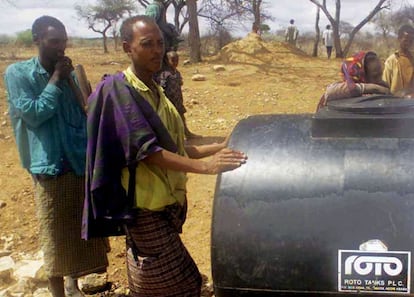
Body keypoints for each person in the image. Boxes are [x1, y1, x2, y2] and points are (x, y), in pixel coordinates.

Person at [84, 15, 247, 297]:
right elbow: (147, 152)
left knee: (158, 282)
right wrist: (204, 166)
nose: (157, 50)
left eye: (160, 43)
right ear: (127, 48)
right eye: (147, 44)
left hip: (165, 207)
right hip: (144, 209)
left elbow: (176, 148)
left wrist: (221, 146)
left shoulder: (156, 90)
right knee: (180, 284)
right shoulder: (121, 91)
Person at [3, 15, 109, 297]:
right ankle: (57, 291)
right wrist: (56, 79)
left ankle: (73, 284)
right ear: (37, 40)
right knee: (54, 236)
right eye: (53, 42)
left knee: (77, 229)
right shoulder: (18, 74)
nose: (60, 48)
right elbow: (34, 114)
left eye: (63, 41)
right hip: (49, 166)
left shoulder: (72, 75)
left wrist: (74, 84)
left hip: (77, 161)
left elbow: (84, 113)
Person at [317, 51, 390, 110]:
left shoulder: (382, 87)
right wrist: (369, 88)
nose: (379, 79)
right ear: (360, 74)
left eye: (380, 74)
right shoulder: (341, 90)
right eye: (375, 76)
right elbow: (329, 92)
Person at [159, 50, 201, 140]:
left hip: (178, 99)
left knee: (181, 117)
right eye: (173, 60)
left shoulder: (177, 73)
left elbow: (180, 83)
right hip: (169, 101)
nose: (175, 63)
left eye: (177, 60)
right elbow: (161, 88)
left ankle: (187, 134)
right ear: (167, 61)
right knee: (169, 120)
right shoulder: (165, 74)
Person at [383, 24, 414, 97]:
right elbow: (385, 85)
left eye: (411, 40)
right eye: (406, 40)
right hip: (395, 104)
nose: (408, 43)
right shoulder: (391, 61)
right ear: (399, 39)